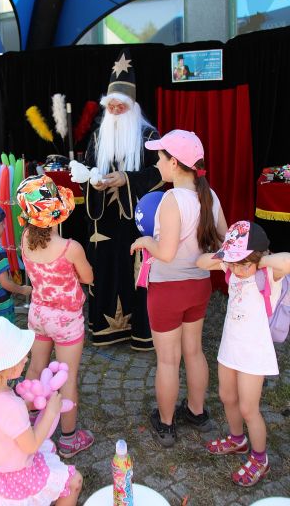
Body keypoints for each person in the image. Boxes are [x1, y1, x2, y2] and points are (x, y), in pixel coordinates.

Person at [130, 129, 228, 447]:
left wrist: (146, 241)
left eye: (160, 158)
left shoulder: (172, 199)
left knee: (169, 360)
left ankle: (166, 423)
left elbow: (166, 252)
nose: (157, 164)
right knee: (194, 351)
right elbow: (226, 243)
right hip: (198, 286)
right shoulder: (210, 196)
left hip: (168, 290)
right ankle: (197, 413)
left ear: (174, 162)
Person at [197, 221, 290, 487]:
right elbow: (201, 262)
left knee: (249, 408)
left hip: (254, 352)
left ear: (258, 257)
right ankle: (237, 439)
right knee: (227, 396)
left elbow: (287, 260)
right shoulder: (233, 266)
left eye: (243, 264)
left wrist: (258, 262)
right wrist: (230, 258)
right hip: (231, 346)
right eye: (234, 264)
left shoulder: (268, 274)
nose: (237, 270)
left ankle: (260, 459)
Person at [0, 317, 83, 505]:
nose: (26, 359)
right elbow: (31, 445)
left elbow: (0, 420)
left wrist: (24, 404)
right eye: (20, 356)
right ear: (4, 368)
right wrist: (51, 412)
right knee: (75, 482)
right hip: (17, 477)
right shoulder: (11, 407)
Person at [84, 48, 163, 350]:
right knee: (104, 269)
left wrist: (127, 179)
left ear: (132, 107)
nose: (115, 112)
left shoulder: (149, 137)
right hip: (103, 221)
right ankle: (106, 329)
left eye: (121, 107)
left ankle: (139, 330)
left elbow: (161, 174)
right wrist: (94, 181)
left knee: (134, 272)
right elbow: (88, 170)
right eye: (111, 107)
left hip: (135, 222)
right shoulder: (97, 137)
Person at [16, 174, 94, 458]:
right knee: (67, 375)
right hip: (66, 320)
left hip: (38, 314)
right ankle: (69, 438)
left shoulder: (25, 239)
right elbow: (88, 277)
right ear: (58, 212)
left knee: (35, 368)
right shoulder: (70, 248)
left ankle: (24, 425)